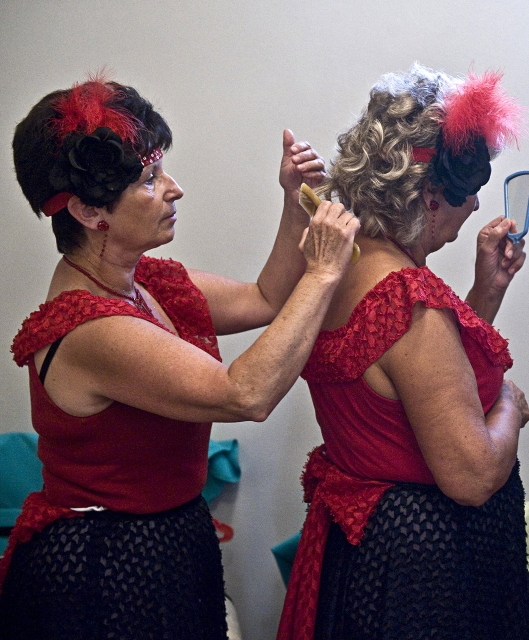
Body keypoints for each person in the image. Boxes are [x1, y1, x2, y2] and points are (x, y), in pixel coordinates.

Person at [0, 76, 359, 639]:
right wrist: (325, 272)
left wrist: (294, 204)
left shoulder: (142, 284)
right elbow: (247, 393)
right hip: (105, 571)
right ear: (89, 212)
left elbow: (263, 298)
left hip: (166, 543)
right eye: (150, 179)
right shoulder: (91, 328)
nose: (174, 188)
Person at [277, 64, 529, 640]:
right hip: (425, 575)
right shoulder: (412, 304)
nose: (472, 209)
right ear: (432, 195)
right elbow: (469, 474)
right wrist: (510, 407)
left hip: (366, 557)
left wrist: (485, 293)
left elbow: (405, 391)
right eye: (467, 194)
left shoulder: (333, 264)